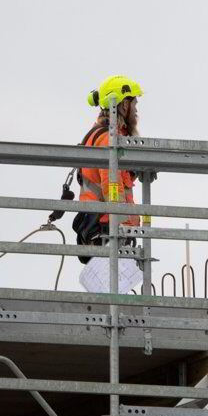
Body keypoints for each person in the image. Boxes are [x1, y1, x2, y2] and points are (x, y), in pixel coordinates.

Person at [64, 75, 148, 294]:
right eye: (133, 103)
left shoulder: (113, 138)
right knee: (111, 302)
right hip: (108, 232)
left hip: (111, 231)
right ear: (122, 105)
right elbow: (113, 189)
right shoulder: (106, 139)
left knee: (113, 299)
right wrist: (122, 227)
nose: (136, 109)